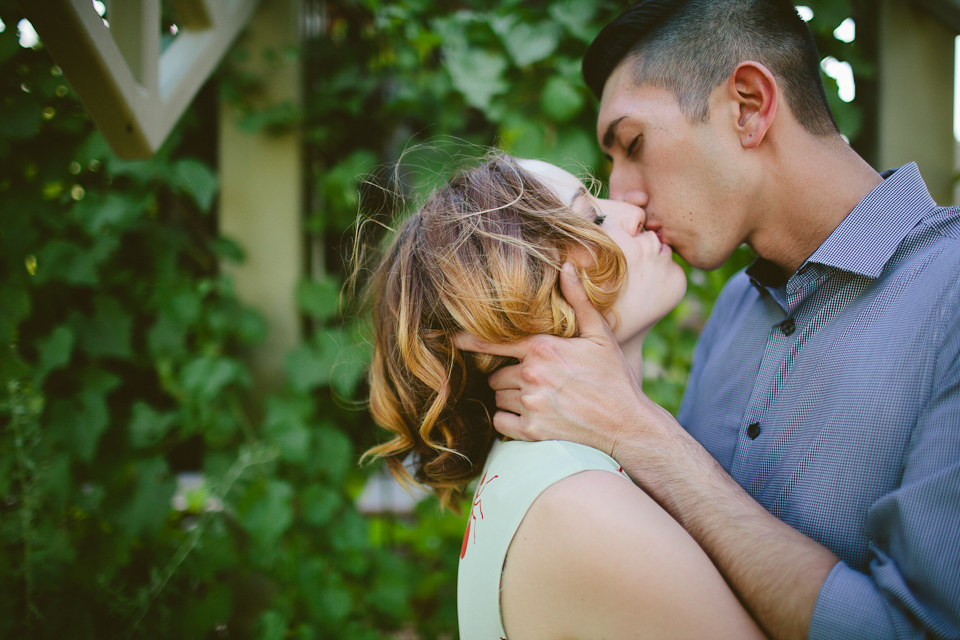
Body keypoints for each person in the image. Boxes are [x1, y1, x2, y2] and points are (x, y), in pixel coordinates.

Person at [455, 1, 960, 639]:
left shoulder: (951, 296)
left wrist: (641, 434)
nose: (624, 195)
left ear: (748, 106)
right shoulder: (733, 311)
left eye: (633, 144)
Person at [359, 153, 766, 639]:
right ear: (519, 301)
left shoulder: (547, 475)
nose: (633, 213)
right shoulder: (583, 507)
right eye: (593, 217)